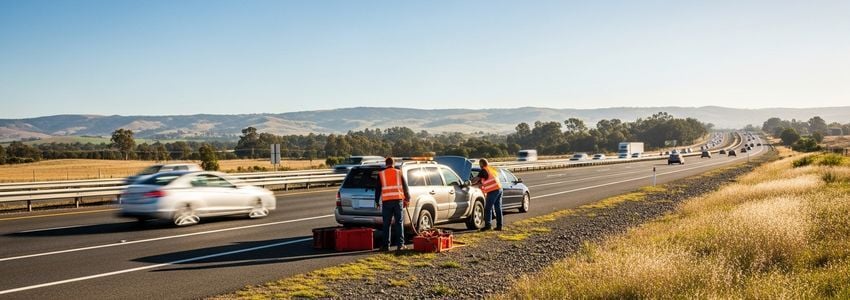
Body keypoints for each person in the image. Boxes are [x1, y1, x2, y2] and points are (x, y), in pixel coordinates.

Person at [375, 157, 410, 251]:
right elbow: (405, 187)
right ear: (393, 163)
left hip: (386, 202)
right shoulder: (398, 172)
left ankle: (386, 246)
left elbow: (378, 189)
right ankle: (400, 245)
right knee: (399, 223)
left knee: (386, 224)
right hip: (398, 200)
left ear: (385, 164)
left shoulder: (381, 174)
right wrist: (407, 199)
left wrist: (376, 201)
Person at [471, 158, 503, 231]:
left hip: (493, 190)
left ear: (481, 164)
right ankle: (499, 226)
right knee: (498, 208)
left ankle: (488, 226)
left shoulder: (483, 170)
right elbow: (485, 180)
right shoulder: (491, 169)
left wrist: (469, 182)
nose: (479, 165)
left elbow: (476, 179)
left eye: (480, 164)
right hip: (499, 189)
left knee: (488, 208)